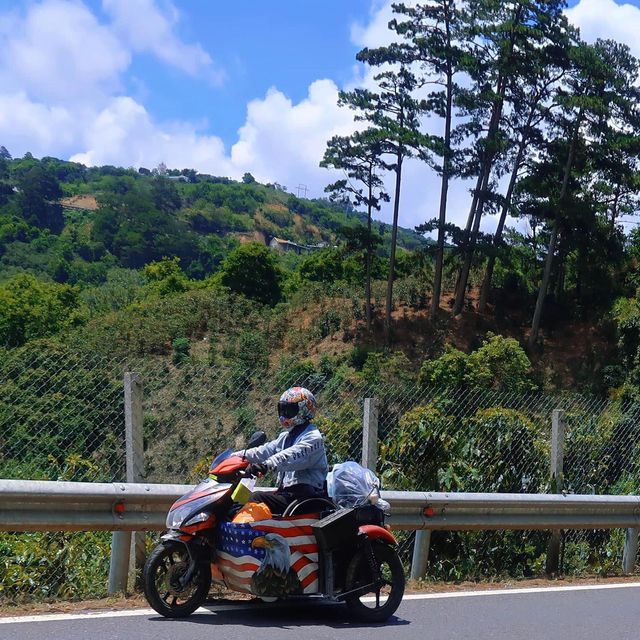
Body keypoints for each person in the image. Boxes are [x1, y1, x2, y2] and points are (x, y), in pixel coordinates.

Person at [236, 386, 328, 515]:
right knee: (239, 502)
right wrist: (238, 456)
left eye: (289, 410)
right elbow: (266, 450)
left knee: (257, 498)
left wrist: (266, 465)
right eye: (282, 409)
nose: (284, 414)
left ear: (304, 410)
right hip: (289, 495)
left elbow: (291, 456)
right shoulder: (286, 436)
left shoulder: (313, 438)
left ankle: (248, 533)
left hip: (306, 497)